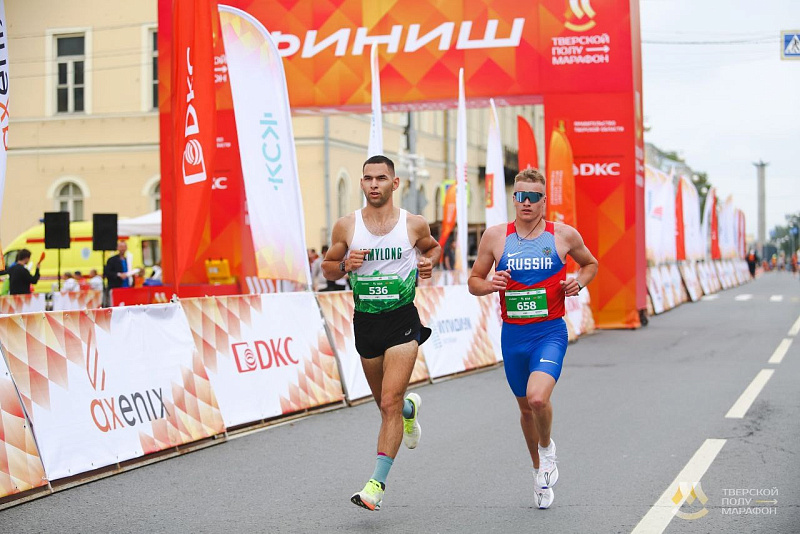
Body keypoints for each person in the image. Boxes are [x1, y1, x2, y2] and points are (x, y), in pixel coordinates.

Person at [468, 168, 598, 509]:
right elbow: (474, 281)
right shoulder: (496, 237)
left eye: (533, 197)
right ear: (513, 198)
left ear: (544, 200)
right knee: (525, 409)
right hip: (513, 335)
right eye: (520, 196)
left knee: (537, 398)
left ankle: (547, 449)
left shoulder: (563, 236)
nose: (526, 203)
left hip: (549, 331)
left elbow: (591, 264)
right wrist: (491, 284)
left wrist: (578, 283)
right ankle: (539, 472)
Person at [322, 155, 441, 511]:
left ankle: (376, 484)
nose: (375, 184)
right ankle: (409, 409)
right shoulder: (347, 226)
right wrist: (344, 265)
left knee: (386, 403)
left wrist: (427, 262)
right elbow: (328, 268)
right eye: (368, 179)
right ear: (361, 184)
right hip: (366, 323)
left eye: (381, 178)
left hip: (402, 320)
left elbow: (432, 247)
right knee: (386, 405)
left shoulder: (413, 224)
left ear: (395, 183)